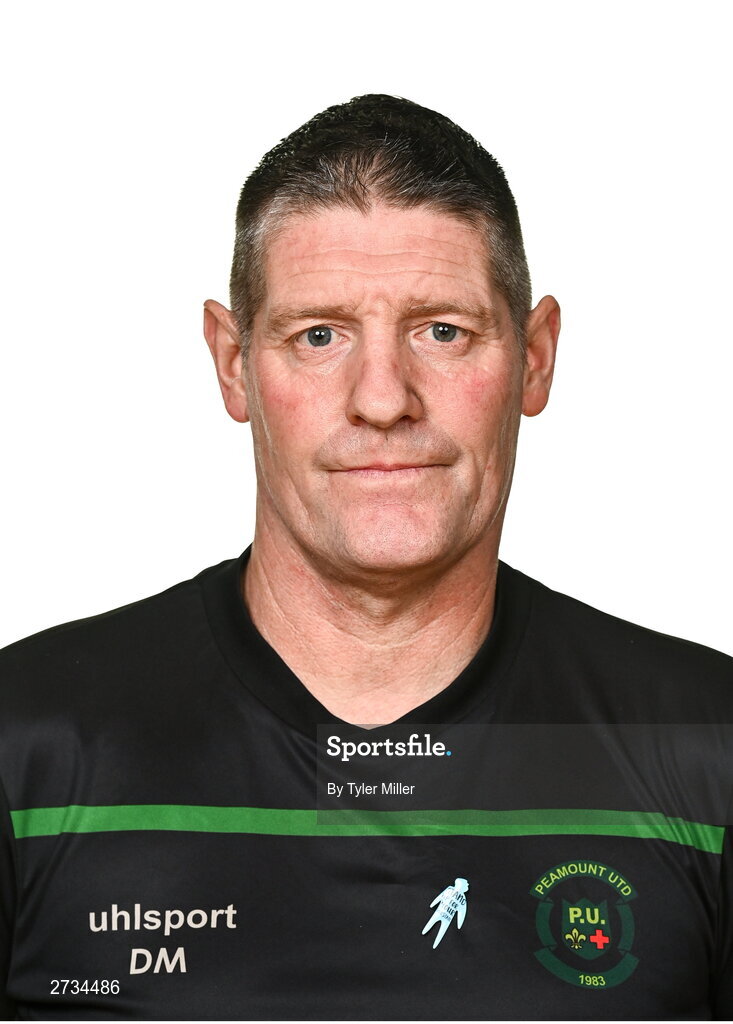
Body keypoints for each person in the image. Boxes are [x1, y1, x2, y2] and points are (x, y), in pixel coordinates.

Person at [0, 94, 731, 1021]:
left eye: (442, 331)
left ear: (535, 356)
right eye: (319, 335)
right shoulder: (25, 745)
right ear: (232, 363)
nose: (382, 400)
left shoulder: (706, 746)